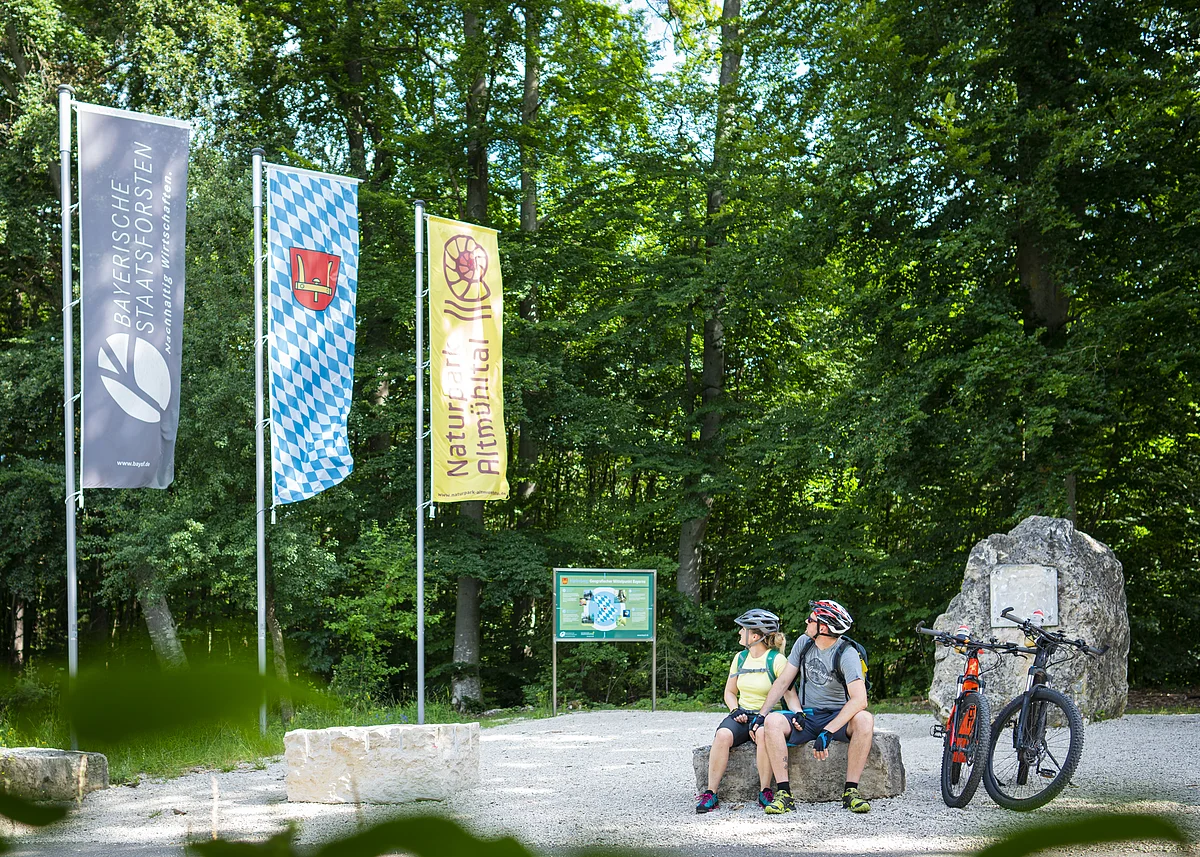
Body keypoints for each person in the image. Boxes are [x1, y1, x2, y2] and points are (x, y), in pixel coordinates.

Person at [749, 599, 875, 814]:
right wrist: (761, 715)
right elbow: (783, 681)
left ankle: (851, 792)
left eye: (811, 619)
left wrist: (828, 731)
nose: (806, 622)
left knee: (865, 719)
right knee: (772, 721)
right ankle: (784, 794)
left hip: (837, 717)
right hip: (807, 716)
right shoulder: (804, 643)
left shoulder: (847, 654)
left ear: (823, 628)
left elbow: (860, 700)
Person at [695, 609, 798, 813]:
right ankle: (710, 793)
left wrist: (798, 714)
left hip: (767, 716)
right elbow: (729, 692)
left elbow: (789, 694)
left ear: (755, 636)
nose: (739, 632)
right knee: (722, 735)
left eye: (743, 629)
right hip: (742, 713)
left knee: (763, 734)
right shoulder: (740, 658)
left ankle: (765, 791)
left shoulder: (777, 660)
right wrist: (735, 710)